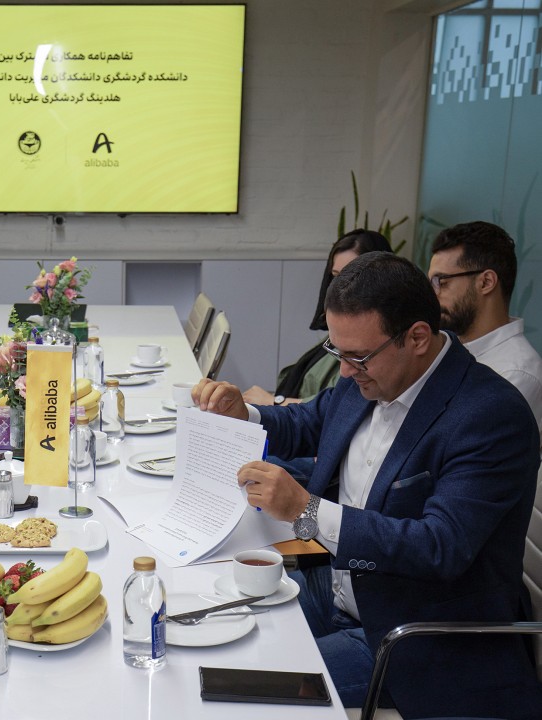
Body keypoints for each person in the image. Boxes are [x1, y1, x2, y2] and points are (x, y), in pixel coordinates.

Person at [193, 252, 542, 718]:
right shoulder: (369, 372)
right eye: (337, 352)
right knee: (206, 627)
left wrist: (305, 510)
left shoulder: (489, 415)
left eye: (356, 357)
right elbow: (310, 421)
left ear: (418, 337)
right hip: (337, 587)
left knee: (242, 687)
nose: (344, 370)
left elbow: (439, 546)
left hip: (414, 635)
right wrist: (246, 413)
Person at [243, 229, 393, 406]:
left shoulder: (375, 351)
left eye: (351, 277)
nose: (340, 288)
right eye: (335, 276)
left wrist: (274, 402)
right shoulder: (336, 333)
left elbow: (337, 406)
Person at [429, 220, 542, 427]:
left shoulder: (515, 373)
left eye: (442, 282)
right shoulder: (447, 349)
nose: (433, 295)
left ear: (486, 282)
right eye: (431, 284)